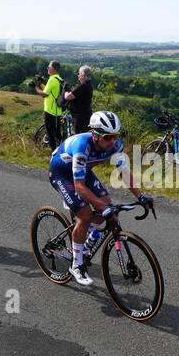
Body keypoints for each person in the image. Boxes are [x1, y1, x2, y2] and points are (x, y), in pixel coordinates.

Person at [47, 110, 151, 287]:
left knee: (109, 208)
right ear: (95, 135)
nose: (112, 141)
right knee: (86, 215)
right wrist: (102, 208)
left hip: (83, 171)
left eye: (115, 136)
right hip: (61, 173)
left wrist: (141, 197)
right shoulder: (82, 146)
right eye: (108, 137)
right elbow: (79, 187)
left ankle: (84, 243)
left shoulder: (116, 145)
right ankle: (77, 264)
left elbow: (124, 173)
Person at [38, 60, 64, 150]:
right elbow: (49, 91)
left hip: (49, 111)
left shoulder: (52, 79)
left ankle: (53, 153)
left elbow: (44, 94)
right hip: (58, 111)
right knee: (57, 133)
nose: (47, 68)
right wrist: (41, 82)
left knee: (50, 133)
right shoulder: (60, 79)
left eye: (49, 67)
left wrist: (35, 88)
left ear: (53, 69)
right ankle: (61, 150)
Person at [64, 65, 95, 135]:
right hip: (86, 115)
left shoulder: (82, 86)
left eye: (79, 73)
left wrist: (66, 91)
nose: (78, 75)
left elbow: (68, 97)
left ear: (84, 75)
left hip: (80, 117)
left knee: (78, 136)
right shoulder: (89, 85)